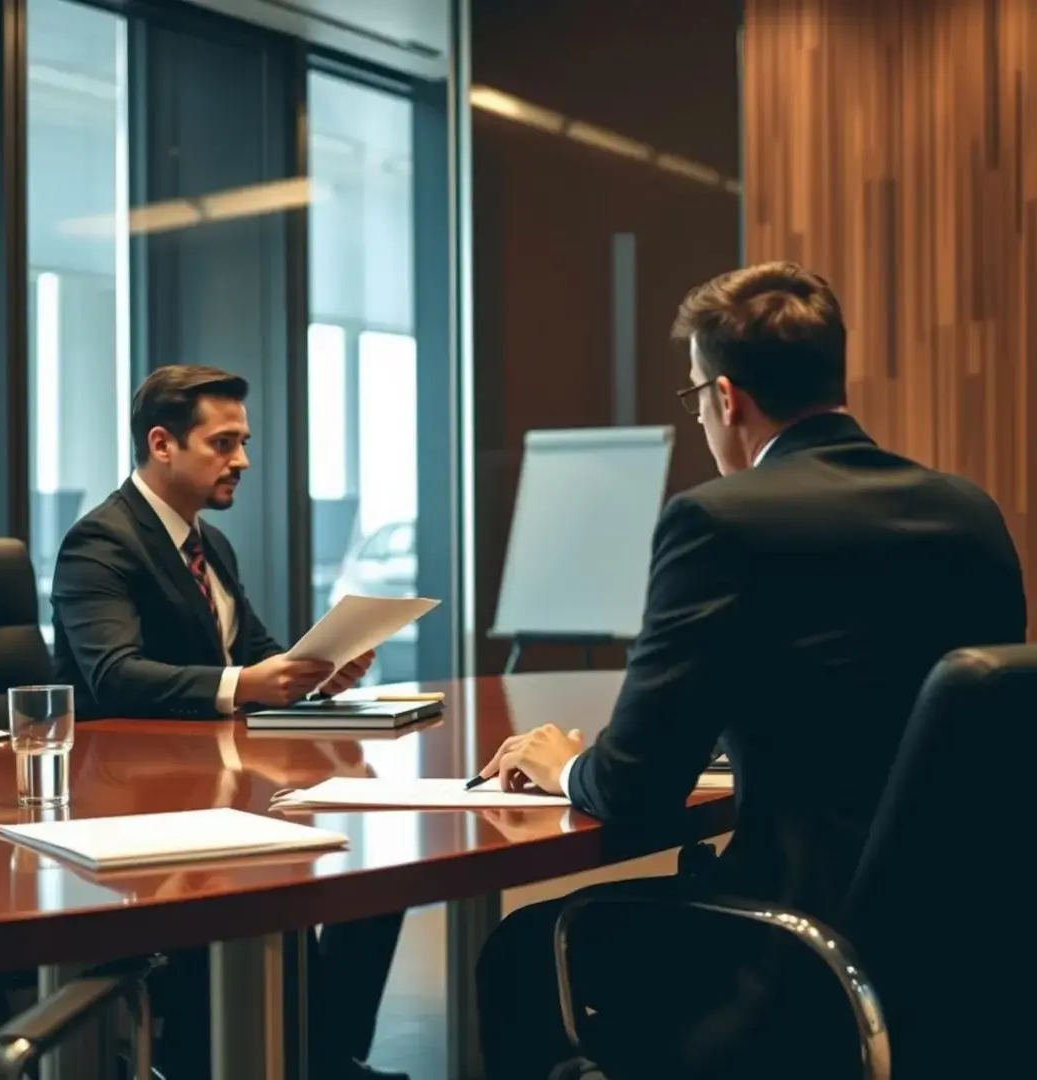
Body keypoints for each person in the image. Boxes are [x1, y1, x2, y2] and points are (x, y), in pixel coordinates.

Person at [474, 262, 1028, 1078]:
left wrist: (567, 770)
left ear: (726, 398)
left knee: (523, 949)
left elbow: (635, 786)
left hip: (801, 943)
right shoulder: (966, 510)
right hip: (973, 941)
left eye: (695, 394)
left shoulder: (719, 520)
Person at [52, 365, 408, 1080]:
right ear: (162, 444)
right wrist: (244, 684)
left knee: (382, 872)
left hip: (224, 785)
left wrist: (318, 671)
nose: (242, 459)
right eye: (223, 443)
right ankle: (285, 1055)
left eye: (243, 441)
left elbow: (257, 656)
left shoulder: (209, 545)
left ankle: (319, 1051)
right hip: (133, 802)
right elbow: (113, 675)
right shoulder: (100, 544)